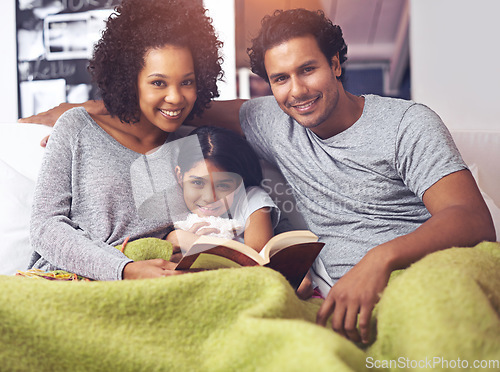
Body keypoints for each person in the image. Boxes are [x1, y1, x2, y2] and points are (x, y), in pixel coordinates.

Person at [23, 8, 495, 345]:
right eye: (280, 79)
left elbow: (473, 219)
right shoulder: (266, 119)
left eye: (308, 69)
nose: (296, 91)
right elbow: (174, 111)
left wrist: (378, 261)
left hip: (416, 266)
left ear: (336, 63)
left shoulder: (406, 123)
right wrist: (82, 109)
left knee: (445, 317)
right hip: (308, 291)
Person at [28, 0, 223, 281]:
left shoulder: (192, 147)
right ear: (130, 80)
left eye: (187, 82)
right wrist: (125, 270)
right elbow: (45, 228)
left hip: (161, 287)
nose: (176, 97)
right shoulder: (77, 128)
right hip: (71, 282)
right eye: (158, 83)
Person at [167, 126, 280, 252]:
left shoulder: (252, 199)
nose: (209, 197)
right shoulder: (172, 203)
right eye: (198, 182)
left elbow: (255, 260)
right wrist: (174, 239)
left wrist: (195, 243)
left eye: (223, 186)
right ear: (180, 176)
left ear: (238, 184)